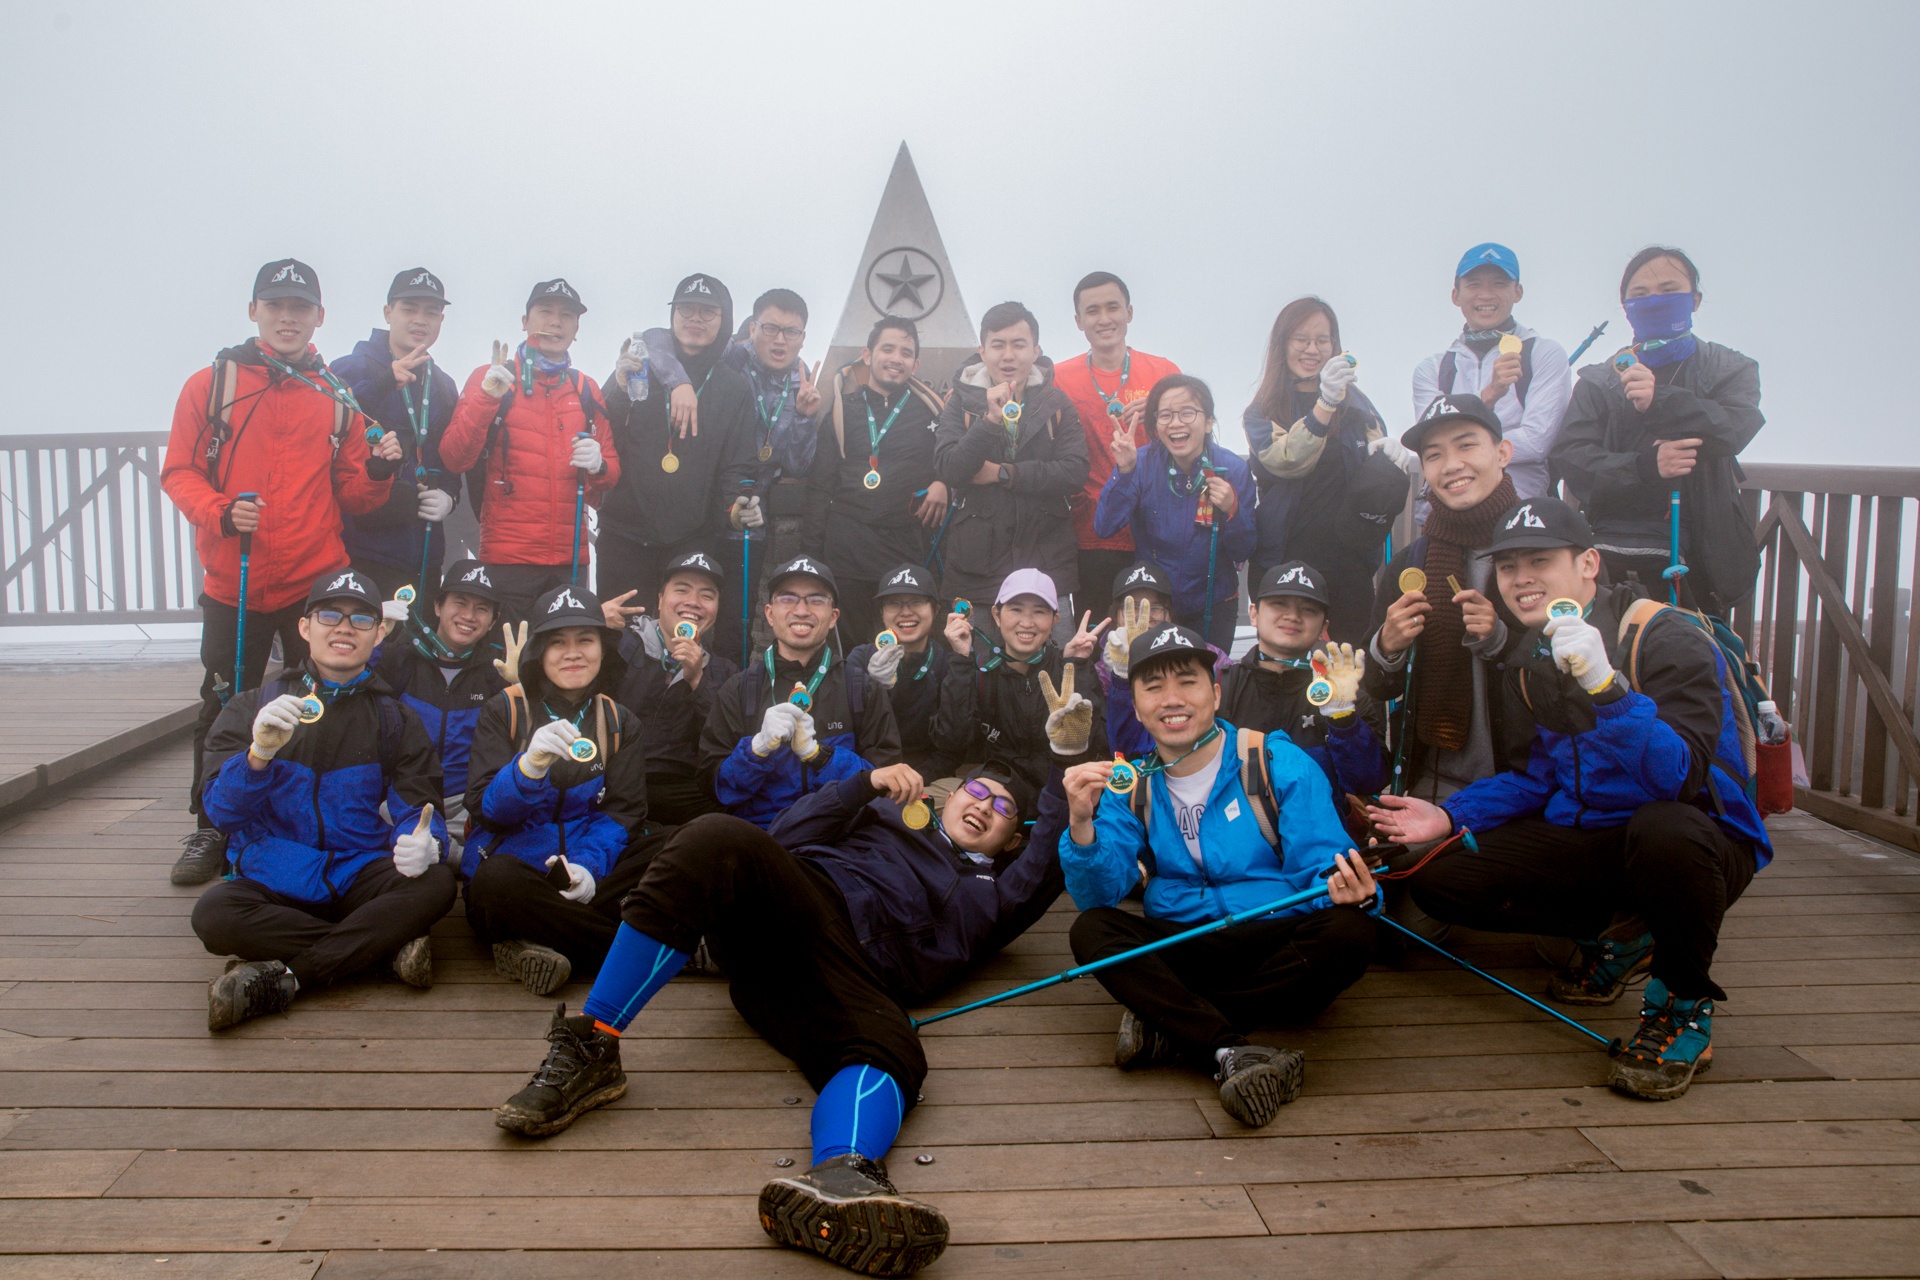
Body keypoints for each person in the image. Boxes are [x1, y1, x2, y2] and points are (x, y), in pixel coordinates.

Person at [491, 760, 1061, 1277]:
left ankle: (841, 1174)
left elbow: (1044, 867)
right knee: (715, 836)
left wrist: (1065, 778)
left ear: (1013, 839)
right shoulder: (884, 817)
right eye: (977, 792)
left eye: (1004, 808)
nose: (985, 806)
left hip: (843, 972)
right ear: (950, 796)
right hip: (796, 900)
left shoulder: (994, 891)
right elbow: (785, 836)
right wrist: (860, 786)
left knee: (895, 1047)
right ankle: (593, 1044)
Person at [1370, 497, 1769, 1101]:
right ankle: (1628, 934)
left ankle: (1681, 1006)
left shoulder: (1663, 636)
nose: (1521, 579)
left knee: (1664, 830)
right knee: (1442, 879)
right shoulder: (1532, 655)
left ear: (1588, 563)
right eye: (1508, 567)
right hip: (1600, 834)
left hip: (1700, 843)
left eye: (1540, 561)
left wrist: (1606, 688)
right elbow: (1535, 778)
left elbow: (1680, 779)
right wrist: (1450, 814)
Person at [1059, 623, 1379, 1128]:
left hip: (1275, 936)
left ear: (1216, 692)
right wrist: (1080, 824)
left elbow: (1322, 863)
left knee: (1351, 932)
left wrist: (1350, 892)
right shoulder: (1132, 785)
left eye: (1187, 681)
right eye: (1153, 687)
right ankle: (1227, 1045)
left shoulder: (1275, 760)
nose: (1172, 699)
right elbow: (1099, 893)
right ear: (1136, 707)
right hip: (1188, 939)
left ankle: (1177, 1028)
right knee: (1092, 930)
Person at [161, 258, 399, 887]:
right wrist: (219, 511)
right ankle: (210, 826)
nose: (287, 318)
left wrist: (379, 471)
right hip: (232, 580)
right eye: (275, 306)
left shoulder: (336, 395)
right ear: (254, 312)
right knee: (223, 701)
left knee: (322, 703)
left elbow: (354, 493)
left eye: (300, 308)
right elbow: (179, 471)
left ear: (319, 317)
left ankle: (298, 821)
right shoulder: (211, 384)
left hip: (312, 580)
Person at [191, 569, 454, 1030]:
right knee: (214, 915)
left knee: (436, 885)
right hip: (274, 878)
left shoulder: (395, 717)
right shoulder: (252, 706)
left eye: (361, 619)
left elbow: (419, 804)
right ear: (304, 627)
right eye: (330, 615)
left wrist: (426, 841)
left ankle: (291, 977)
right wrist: (257, 756)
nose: (344, 628)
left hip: (357, 871)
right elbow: (221, 812)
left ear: (378, 634)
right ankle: (380, 952)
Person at [1553, 246, 1764, 616]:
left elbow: (1735, 427)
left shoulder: (1729, 367)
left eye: (1669, 290)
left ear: (1695, 299)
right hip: (1612, 558)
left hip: (1704, 557)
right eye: (1640, 294)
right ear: (1626, 307)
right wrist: (1646, 466)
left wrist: (1659, 402)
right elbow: (1572, 457)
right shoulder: (1600, 379)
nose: (1655, 301)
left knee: (1701, 646)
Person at [463, 585, 652, 995]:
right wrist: (528, 769)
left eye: (585, 640)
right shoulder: (504, 710)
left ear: (603, 649)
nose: (573, 653)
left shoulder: (619, 721)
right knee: (494, 881)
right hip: (518, 875)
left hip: (583, 873)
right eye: (557, 642)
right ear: (538, 652)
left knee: (672, 844)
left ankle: (536, 943)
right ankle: (641, 954)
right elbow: (485, 812)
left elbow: (623, 813)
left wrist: (587, 868)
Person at [1363, 394, 1521, 803]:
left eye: (1466, 445)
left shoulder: (1544, 548)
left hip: (1530, 780)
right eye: (1434, 455)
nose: (1451, 465)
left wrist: (1501, 640)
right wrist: (1387, 647)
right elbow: (1377, 686)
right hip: (1435, 782)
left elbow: (1574, 669)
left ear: (1503, 453)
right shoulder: (1411, 563)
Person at [598, 274, 760, 657]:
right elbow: (604, 430)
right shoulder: (638, 368)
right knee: (617, 645)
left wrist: (737, 507)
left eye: (708, 311)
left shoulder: (735, 387)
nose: (695, 319)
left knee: (683, 647)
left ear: (724, 319)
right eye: (686, 309)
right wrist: (618, 388)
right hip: (625, 536)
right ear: (672, 315)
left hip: (692, 539)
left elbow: (738, 465)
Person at [439, 279, 620, 621]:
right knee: (510, 653)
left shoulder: (586, 388)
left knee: (566, 653)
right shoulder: (491, 377)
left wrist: (599, 466)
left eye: (567, 316)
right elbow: (455, 457)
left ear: (577, 329)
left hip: (570, 561)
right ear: (525, 321)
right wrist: (487, 398)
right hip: (507, 558)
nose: (556, 322)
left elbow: (610, 475)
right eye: (545, 312)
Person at [1242, 297, 1408, 642]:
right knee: (1287, 661)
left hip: (1349, 563)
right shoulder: (1262, 410)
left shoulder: (1359, 404)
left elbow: (1376, 453)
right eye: (1301, 339)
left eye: (1322, 340)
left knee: (1349, 663)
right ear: (1282, 344)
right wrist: (1326, 402)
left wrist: (1387, 454)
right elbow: (1286, 460)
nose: (1312, 349)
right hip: (1284, 562)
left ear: (1335, 345)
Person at [699, 555, 902, 828]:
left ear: (833, 617)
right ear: (770, 614)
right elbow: (716, 789)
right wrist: (756, 750)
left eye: (816, 600)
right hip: (761, 835)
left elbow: (884, 782)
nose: (802, 610)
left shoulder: (861, 688)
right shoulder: (739, 689)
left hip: (841, 835)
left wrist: (820, 756)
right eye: (788, 598)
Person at [932, 302, 1089, 612]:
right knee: (973, 645)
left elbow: (1075, 471)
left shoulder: (1056, 403)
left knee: (1053, 646)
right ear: (982, 351)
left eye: (1018, 345)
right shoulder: (960, 403)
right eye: (997, 345)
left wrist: (1005, 474)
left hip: (1046, 562)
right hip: (976, 568)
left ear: (1035, 350)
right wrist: (989, 422)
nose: (1008, 355)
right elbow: (949, 468)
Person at [803, 316, 948, 640]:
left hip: (904, 549)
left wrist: (944, 482)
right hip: (846, 550)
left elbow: (954, 458)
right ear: (867, 355)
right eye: (888, 349)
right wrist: (811, 559)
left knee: (902, 650)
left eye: (906, 353)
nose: (896, 358)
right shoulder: (842, 409)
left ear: (915, 364)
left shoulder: (933, 412)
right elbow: (820, 487)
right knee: (849, 650)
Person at [1051, 272, 1182, 622]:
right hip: (1091, 533)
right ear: (1078, 321)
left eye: (1113, 307)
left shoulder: (1164, 373)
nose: (1104, 319)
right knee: (1100, 635)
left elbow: (1191, 435)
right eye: (1092, 311)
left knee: (1158, 635)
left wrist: (1160, 414)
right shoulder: (1058, 378)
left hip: (1155, 532)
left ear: (1129, 312)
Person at [1095, 374, 1256, 651]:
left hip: (1213, 605)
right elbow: (1104, 527)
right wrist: (1125, 472)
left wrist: (1233, 510)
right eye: (1166, 415)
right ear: (1156, 424)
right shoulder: (1139, 461)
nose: (1176, 423)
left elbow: (1243, 550)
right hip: (1155, 608)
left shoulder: (1233, 469)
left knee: (1209, 674)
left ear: (1208, 422)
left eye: (1187, 412)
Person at [329, 268, 463, 598]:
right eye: (409, 309)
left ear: (441, 320)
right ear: (388, 313)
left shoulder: (444, 385)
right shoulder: (350, 367)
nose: (420, 320)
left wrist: (450, 495)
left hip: (425, 551)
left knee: (420, 632)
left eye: (431, 312)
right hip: (361, 549)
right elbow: (327, 421)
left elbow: (450, 454)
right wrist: (382, 383)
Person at [1412, 243, 1572, 503]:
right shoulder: (1432, 369)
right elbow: (1429, 439)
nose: (1486, 295)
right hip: (1448, 506)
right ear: (1456, 295)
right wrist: (1488, 395)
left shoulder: (1544, 354)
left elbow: (1536, 441)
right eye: (1474, 284)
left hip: (1518, 506)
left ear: (1517, 292)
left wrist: (1457, 449)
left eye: (1499, 284)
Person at [1216, 562, 1388, 799]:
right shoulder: (1220, 689)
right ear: (1254, 613)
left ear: (1323, 627)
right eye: (1279, 604)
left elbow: (1370, 782)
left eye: (1308, 609)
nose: (1292, 616)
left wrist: (1343, 720)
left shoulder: (1347, 694)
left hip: (1324, 821)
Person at [373, 559, 507, 860]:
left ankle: (447, 853)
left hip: (466, 807)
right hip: (402, 800)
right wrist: (372, 637)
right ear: (437, 606)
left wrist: (522, 686)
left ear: (493, 621)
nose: (468, 616)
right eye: (459, 602)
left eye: (482, 609)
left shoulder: (499, 671)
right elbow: (345, 683)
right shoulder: (400, 658)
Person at [936, 568, 1108, 794]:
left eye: (1039, 612)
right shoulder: (978, 670)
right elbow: (951, 741)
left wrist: (1077, 666)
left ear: (1055, 620)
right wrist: (960, 658)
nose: (1026, 623)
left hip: (1062, 790)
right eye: (1016, 610)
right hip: (998, 795)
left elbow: (1097, 743)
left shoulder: (1069, 666)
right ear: (996, 615)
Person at [607, 550, 741, 826]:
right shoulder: (621, 642)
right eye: (682, 590)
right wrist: (590, 627)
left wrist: (697, 680)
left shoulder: (725, 672)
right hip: (611, 778)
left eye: (707, 595)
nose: (693, 602)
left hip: (682, 793)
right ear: (659, 599)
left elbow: (729, 744)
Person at [845, 564, 965, 781]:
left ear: (936, 610)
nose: (906, 612)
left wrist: (962, 659)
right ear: (882, 613)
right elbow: (851, 736)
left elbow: (954, 744)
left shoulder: (947, 662)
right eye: (894, 603)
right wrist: (874, 688)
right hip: (870, 777)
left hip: (930, 780)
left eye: (917, 602)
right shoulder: (860, 659)